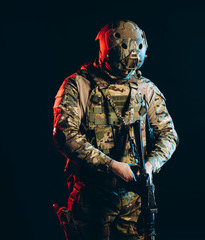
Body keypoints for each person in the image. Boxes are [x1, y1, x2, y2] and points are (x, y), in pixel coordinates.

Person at [52, 19, 178, 240]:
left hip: (136, 202)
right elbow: (65, 135)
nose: (128, 70)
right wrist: (111, 166)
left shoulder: (146, 89)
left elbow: (168, 135)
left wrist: (151, 165)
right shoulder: (79, 85)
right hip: (93, 200)